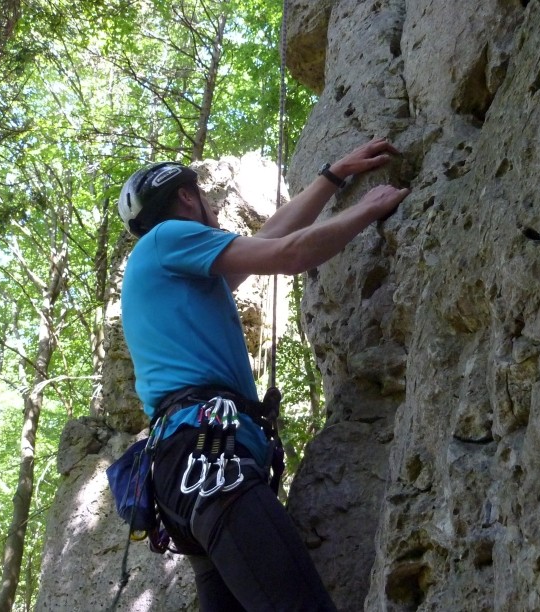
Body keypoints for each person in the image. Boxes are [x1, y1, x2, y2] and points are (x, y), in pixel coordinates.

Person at [118, 137, 409, 611]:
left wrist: (331, 177)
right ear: (188, 196)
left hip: (184, 470)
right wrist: (367, 209)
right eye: (203, 197)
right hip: (207, 456)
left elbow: (270, 237)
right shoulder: (170, 237)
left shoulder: (171, 267)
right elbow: (289, 254)